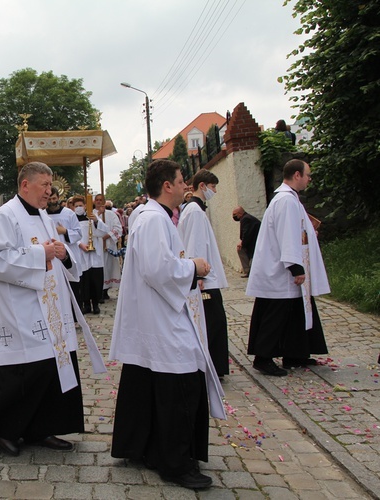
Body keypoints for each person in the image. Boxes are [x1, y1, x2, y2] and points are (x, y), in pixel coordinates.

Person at [0, 161, 105, 457]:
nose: (49, 191)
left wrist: (64, 255)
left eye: (50, 186)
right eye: (44, 185)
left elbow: (59, 256)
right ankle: (5, 428)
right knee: (20, 374)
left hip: (50, 307)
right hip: (19, 309)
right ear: (25, 185)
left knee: (50, 369)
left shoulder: (43, 216)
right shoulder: (4, 216)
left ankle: (41, 428)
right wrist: (43, 252)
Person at [109, 160, 225, 490]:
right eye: (180, 180)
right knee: (178, 389)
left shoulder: (156, 218)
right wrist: (194, 268)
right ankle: (174, 463)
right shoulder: (153, 221)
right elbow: (158, 270)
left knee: (152, 387)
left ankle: (149, 448)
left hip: (158, 315)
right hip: (163, 321)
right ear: (166, 186)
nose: (186, 184)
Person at [246, 159, 330, 376]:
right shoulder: (286, 201)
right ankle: (263, 358)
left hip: (283, 271)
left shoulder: (289, 199)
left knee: (294, 314)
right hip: (280, 272)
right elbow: (287, 236)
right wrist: (296, 267)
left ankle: (295, 353)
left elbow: (297, 231)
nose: (310, 179)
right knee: (275, 316)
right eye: (308, 175)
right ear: (296, 175)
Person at [178, 170, 230, 379]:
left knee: (214, 322)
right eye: (213, 186)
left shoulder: (194, 210)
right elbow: (196, 243)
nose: (214, 191)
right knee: (213, 323)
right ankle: (213, 366)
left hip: (204, 276)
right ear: (202, 186)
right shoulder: (195, 211)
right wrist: (198, 276)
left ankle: (215, 365)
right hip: (204, 279)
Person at [47, 187, 84, 308]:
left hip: (69, 253)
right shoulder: (42, 215)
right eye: (49, 198)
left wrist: (65, 231)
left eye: (54, 198)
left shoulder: (69, 214)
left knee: (73, 286)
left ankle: (75, 317)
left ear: (58, 198)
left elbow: (79, 234)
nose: (52, 201)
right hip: (53, 255)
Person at [75, 196, 108, 314]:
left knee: (95, 279)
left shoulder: (92, 216)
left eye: (81, 205)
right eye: (76, 206)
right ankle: (86, 304)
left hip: (95, 253)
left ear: (85, 206)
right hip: (82, 252)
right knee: (84, 281)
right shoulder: (73, 218)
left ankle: (96, 303)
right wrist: (80, 244)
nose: (79, 208)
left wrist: (96, 221)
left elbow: (103, 231)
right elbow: (71, 235)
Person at [94, 193, 122, 299]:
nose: (99, 201)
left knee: (109, 267)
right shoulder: (92, 213)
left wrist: (107, 236)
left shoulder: (111, 214)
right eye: (97, 200)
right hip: (97, 245)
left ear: (104, 201)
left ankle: (105, 290)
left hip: (109, 245)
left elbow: (118, 228)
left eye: (101, 200)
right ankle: (98, 290)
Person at [232, 206, 261, 277]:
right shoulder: (247, 217)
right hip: (255, 241)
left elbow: (247, 233)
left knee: (241, 250)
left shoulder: (245, 219)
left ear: (239, 213)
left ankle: (248, 271)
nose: (234, 217)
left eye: (235, 214)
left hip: (254, 242)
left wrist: (242, 243)